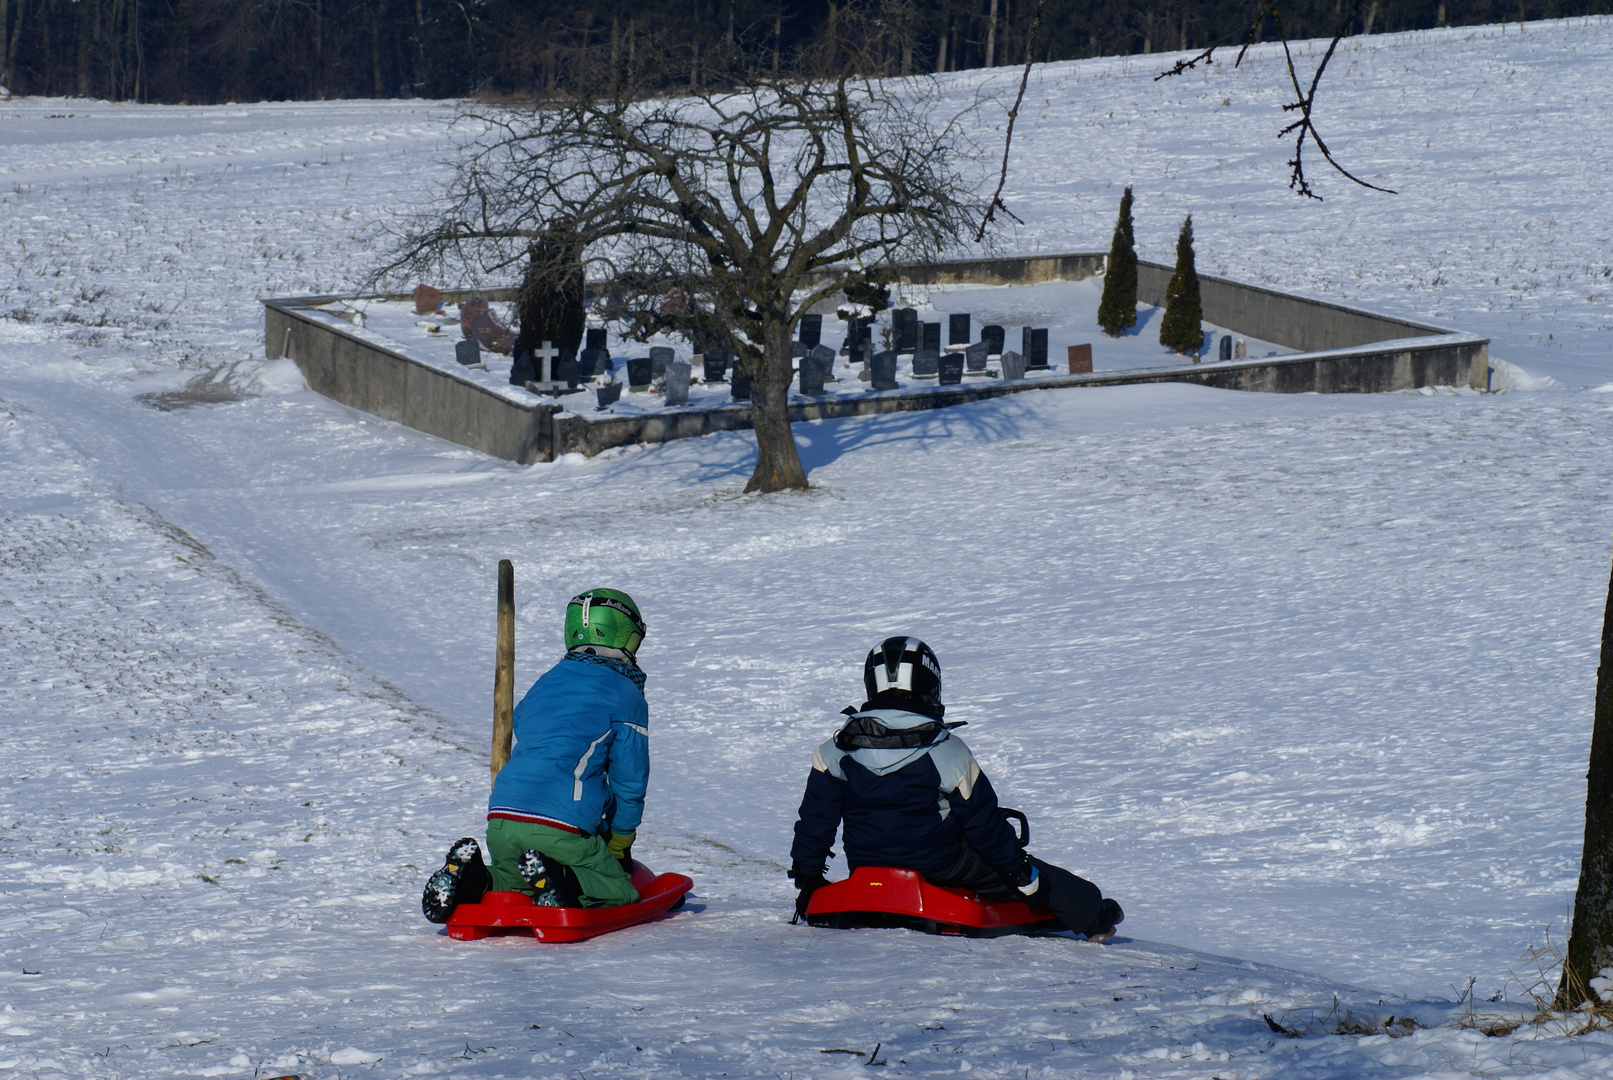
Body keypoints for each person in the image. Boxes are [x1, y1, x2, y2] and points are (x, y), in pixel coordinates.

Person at [789, 636, 1124, 941]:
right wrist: (1020, 871)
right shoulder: (947, 751)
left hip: (865, 864)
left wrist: (808, 881)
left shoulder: (834, 751)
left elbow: (815, 823)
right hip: (942, 865)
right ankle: (1094, 917)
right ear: (930, 685)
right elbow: (985, 828)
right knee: (1034, 876)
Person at [422, 588, 650, 922]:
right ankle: (562, 879)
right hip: (562, 826)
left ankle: (473, 879)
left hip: (502, 817)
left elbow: (524, 722)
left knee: (514, 883)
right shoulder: (625, 693)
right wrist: (621, 838)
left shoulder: (549, 680)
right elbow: (630, 779)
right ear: (625, 636)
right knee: (616, 889)